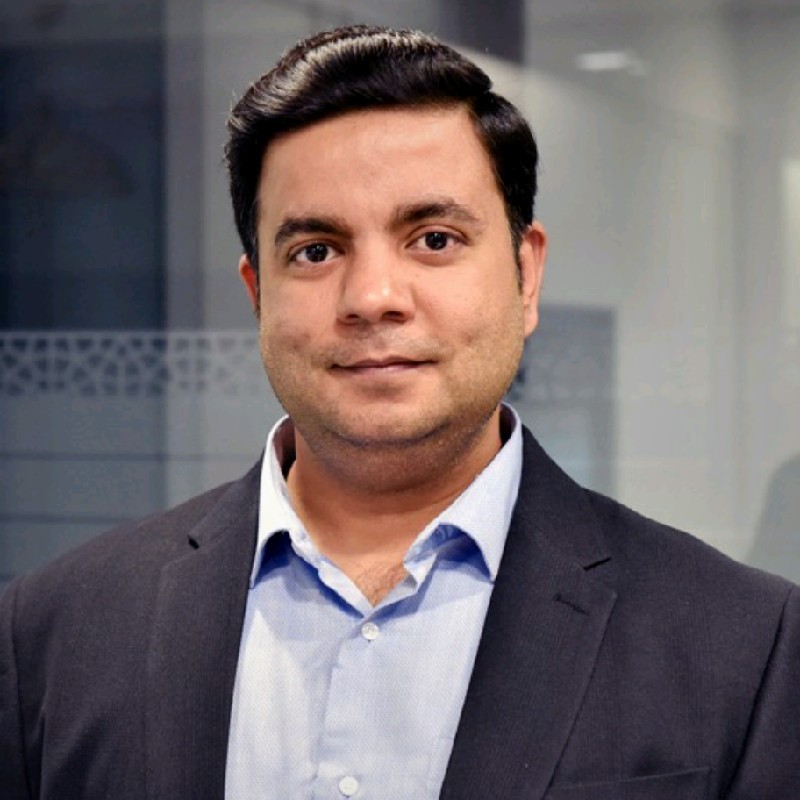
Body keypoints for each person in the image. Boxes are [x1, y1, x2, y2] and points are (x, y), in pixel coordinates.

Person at [1, 24, 798, 800]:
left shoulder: (743, 646)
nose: (374, 297)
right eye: (316, 251)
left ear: (526, 276)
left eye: (435, 239)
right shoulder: (51, 634)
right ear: (257, 295)